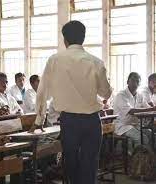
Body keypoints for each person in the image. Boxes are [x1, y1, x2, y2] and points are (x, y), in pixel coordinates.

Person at [29, 21, 112, 184]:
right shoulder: (96, 62)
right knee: (89, 166)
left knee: (71, 166)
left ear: (64, 40)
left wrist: (38, 121)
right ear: (83, 38)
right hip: (92, 122)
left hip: (69, 121)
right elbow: (105, 92)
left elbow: (42, 93)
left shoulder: (54, 60)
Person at [113, 72, 155, 147]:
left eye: (137, 81)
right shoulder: (121, 95)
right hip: (122, 126)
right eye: (133, 80)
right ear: (127, 82)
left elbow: (148, 108)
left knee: (151, 134)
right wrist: (151, 109)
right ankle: (135, 157)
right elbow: (131, 111)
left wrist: (152, 109)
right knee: (142, 138)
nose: (135, 83)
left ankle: (148, 156)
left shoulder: (139, 95)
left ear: (139, 84)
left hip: (135, 125)